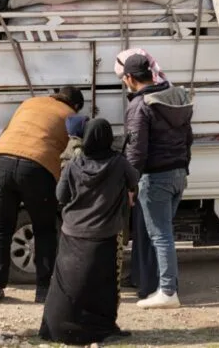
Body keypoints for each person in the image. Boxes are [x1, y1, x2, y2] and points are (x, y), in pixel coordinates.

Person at [40, 118, 137, 344]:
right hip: (105, 235)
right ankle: (105, 327)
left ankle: (58, 328)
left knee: (68, 286)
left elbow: (60, 196)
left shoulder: (75, 163)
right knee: (104, 287)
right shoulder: (118, 163)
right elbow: (134, 179)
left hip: (73, 233)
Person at [0, 87, 84, 304]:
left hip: (1, 161)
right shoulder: (72, 116)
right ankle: (43, 290)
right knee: (44, 229)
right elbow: (76, 150)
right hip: (37, 167)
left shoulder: (29, 103)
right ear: (75, 105)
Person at [120, 53, 194, 309]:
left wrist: (130, 184)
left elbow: (136, 150)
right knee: (164, 234)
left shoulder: (140, 105)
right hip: (178, 174)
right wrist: (183, 167)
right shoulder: (176, 96)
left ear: (129, 78)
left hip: (156, 177)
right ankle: (164, 287)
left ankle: (168, 292)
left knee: (160, 236)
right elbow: (188, 138)